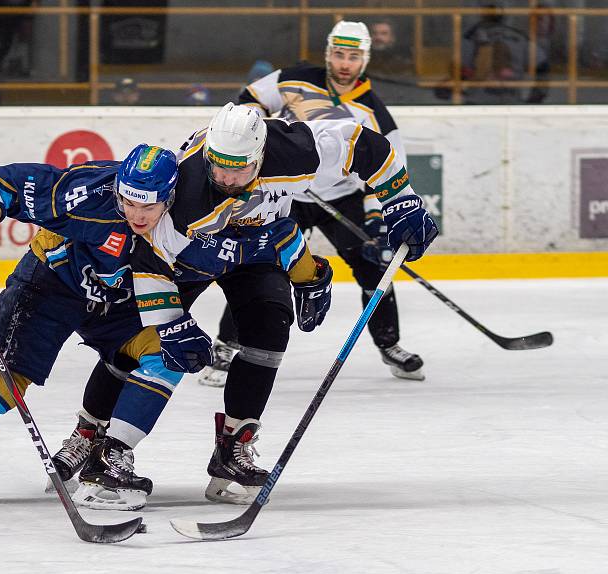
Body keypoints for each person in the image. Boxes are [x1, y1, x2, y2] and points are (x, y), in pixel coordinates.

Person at [59, 102, 437, 506]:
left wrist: (401, 198)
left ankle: (232, 450)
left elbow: (365, 145)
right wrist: (169, 323)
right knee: (142, 341)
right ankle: (92, 436)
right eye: (218, 166)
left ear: (261, 155)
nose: (226, 178)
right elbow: (150, 262)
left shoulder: (293, 150)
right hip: (190, 258)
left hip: (255, 250)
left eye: (239, 168)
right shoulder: (186, 192)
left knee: (270, 328)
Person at [0, 145, 213, 512]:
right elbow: (7, 183)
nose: (136, 215)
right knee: (2, 383)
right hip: (49, 286)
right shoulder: (88, 194)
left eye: (148, 206)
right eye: (128, 202)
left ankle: (106, 458)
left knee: (168, 352)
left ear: (170, 198)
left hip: (117, 304)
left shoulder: (190, 220)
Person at [199, 21, 427, 389]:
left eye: (353, 56)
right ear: (328, 53)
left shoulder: (375, 113)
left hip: (342, 196)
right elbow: (246, 103)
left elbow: (387, 167)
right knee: (259, 262)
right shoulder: (295, 78)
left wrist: (376, 221)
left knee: (374, 267)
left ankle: (390, 344)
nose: (344, 63)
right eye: (338, 53)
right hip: (285, 192)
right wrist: (271, 129)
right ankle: (228, 344)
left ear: (365, 59)